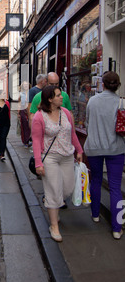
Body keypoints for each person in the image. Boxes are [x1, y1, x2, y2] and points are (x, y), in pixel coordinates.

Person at [31, 85, 83, 242]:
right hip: (50, 158)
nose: (62, 97)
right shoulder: (39, 117)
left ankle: (54, 204)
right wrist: (38, 163)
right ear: (50, 99)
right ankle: (54, 225)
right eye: (59, 95)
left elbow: (71, 133)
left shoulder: (66, 113)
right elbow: (36, 140)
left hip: (67, 156)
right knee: (54, 190)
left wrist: (79, 150)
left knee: (67, 188)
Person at [84, 71, 125, 239]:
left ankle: (95, 214)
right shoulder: (121, 103)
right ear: (118, 85)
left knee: (96, 180)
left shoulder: (92, 101)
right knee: (115, 187)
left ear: (103, 84)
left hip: (94, 147)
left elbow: (87, 122)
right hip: (116, 149)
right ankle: (117, 228)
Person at [18, 81, 31, 146]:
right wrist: (18, 113)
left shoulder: (31, 93)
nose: (26, 86)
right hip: (23, 110)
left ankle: (30, 138)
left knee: (30, 125)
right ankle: (26, 141)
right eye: (24, 85)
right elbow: (19, 104)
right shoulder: (21, 94)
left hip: (30, 110)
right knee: (25, 126)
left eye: (27, 85)